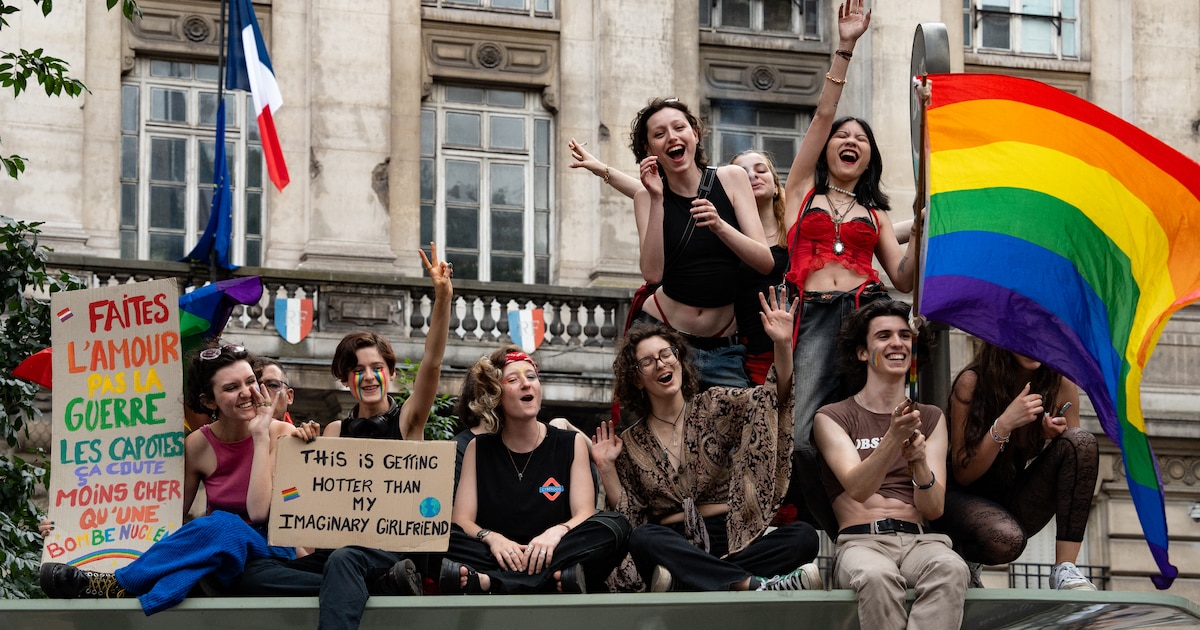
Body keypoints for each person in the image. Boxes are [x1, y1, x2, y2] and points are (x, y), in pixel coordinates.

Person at [233, 245, 453, 629]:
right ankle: (372, 587)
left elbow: (432, 362)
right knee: (254, 571)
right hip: (339, 554)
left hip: (391, 551)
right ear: (344, 379)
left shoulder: (409, 420)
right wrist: (302, 447)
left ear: (391, 373)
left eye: (376, 368)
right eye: (356, 369)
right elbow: (311, 503)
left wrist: (443, 297)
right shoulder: (334, 430)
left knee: (345, 561)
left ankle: (358, 584)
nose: (367, 376)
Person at [778, 0, 922, 536]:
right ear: (828, 150)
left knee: (875, 425)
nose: (849, 140)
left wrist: (924, 226)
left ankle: (887, 516)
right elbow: (820, 116)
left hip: (867, 317)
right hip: (813, 317)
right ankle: (826, 526)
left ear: (869, 159)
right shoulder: (799, 194)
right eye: (843, 136)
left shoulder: (876, 213)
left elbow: (903, 278)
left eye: (860, 139)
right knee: (797, 436)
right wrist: (847, 45)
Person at [39, 343, 320, 613]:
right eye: (232, 388)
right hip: (220, 552)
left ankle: (120, 583)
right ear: (209, 401)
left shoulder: (279, 432)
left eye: (250, 382)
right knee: (200, 556)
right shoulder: (197, 445)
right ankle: (121, 589)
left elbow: (259, 513)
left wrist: (259, 435)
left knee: (224, 524)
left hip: (270, 549)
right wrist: (68, 528)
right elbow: (163, 518)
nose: (247, 393)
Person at [592, 289, 821, 592]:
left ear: (678, 359)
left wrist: (781, 343)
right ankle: (751, 584)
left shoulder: (715, 404)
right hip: (672, 543)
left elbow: (772, 402)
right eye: (647, 362)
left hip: (731, 538)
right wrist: (606, 467)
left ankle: (701, 581)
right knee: (644, 537)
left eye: (666, 354)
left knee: (804, 536)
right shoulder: (631, 442)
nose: (661, 364)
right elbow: (629, 516)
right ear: (636, 378)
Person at [813, 300, 967, 630]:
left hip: (922, 542)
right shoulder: (833, 416)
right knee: (876, 576)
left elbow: (934, 507)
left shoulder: (930, 417)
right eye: (883, 336)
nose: (897, 343)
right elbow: (857, 488)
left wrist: (919, 463)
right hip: (861, 542)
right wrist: (893, 438)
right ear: (862, 353)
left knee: (952, 568)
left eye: (904, 335)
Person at [442, 346, 630, 594]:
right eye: (513, 379)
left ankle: (494, 582)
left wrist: (555, 534)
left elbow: (583, 512)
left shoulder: (569, 442)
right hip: (498, 553)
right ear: (495, 395)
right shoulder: (478, 447)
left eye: (531, 377)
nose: (526, 384)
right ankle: (550, 580)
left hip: (554, 549)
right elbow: (462, 519)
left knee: (616, 526)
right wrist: (491, 537)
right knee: (438, 538)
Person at [626, 96, 774, 389]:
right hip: (662, 338)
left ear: (694, 133)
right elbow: (653, 274)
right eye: (659, 134)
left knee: (732, 429)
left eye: (679, 127)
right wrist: (657, 198)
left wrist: (720, 226)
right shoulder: (646, 197)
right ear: (648, 149)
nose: (671, 137)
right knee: (662, 433)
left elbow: (764, 261)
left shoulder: (731, 178)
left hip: (722, 345)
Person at [935, 341, 1099, 590]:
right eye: (1024, 333)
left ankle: (1065, 568)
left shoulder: (1060, 383)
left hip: (1009, 493)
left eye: (1040, 333)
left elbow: (1075, 460)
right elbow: (964, 473)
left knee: (1080, 442)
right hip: (959, 498)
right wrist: (1004, 424)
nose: (1033, 342)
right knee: (1006, 540)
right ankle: (963, 558)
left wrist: (1052, 439)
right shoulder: (972, 382)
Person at [730, 150, 790, 384]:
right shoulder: (724, 234)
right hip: (747, 356)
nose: (752, 176)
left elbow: (872, 235)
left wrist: (915, 227)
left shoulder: (797, 230)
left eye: (760, 170)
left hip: (797, 346)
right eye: (742, 174)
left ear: (776, 187)